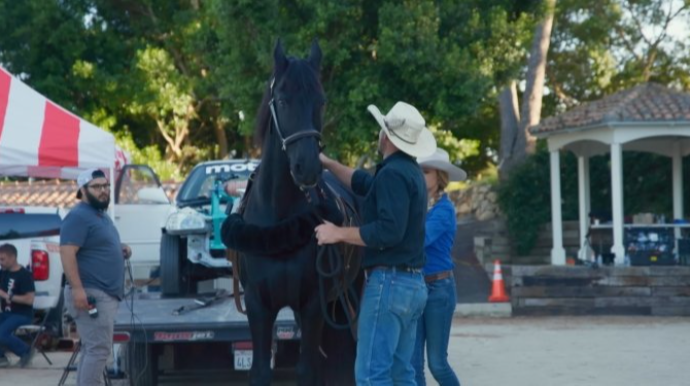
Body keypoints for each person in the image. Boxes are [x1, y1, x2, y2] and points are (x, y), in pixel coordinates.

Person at [315, 101, 436, 385]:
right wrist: (328, 163)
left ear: (386, 137)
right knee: (401, 372)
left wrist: (338, 233)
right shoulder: (410, 172)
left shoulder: (393, 175)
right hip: (412, 285)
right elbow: (364, 184)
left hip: (389, 284)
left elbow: (387, 232)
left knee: (371, 374)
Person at [60, 169, 131, 386]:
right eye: (97, 187)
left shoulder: (99, 215)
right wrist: (78, 290)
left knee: (93, 350)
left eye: (106, 186)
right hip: (91, 294)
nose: (103, 191)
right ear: (82, 190)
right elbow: (67, 252)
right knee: (99, 350)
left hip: (102, 294)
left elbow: (94, 246)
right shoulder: (79, 216)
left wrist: (119, 249)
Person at [411, 148, 466, 386]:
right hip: (416, 288)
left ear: (440, 176)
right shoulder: (417, 206)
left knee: (437, 363)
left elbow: (418, 241)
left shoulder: (444, 210)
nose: (420, 176)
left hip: (438, 289)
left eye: (425, 171)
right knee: (412, 366)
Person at [0, 243, 35, 368]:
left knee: (1, 333)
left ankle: (26, 351)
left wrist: (7, 296)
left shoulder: (24, 275)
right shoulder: (3, 273)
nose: (0, 262)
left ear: (13, 257)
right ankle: (1, 357)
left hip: (22, 314)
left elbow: (29, 300)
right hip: (6, 313)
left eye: (3, 259)